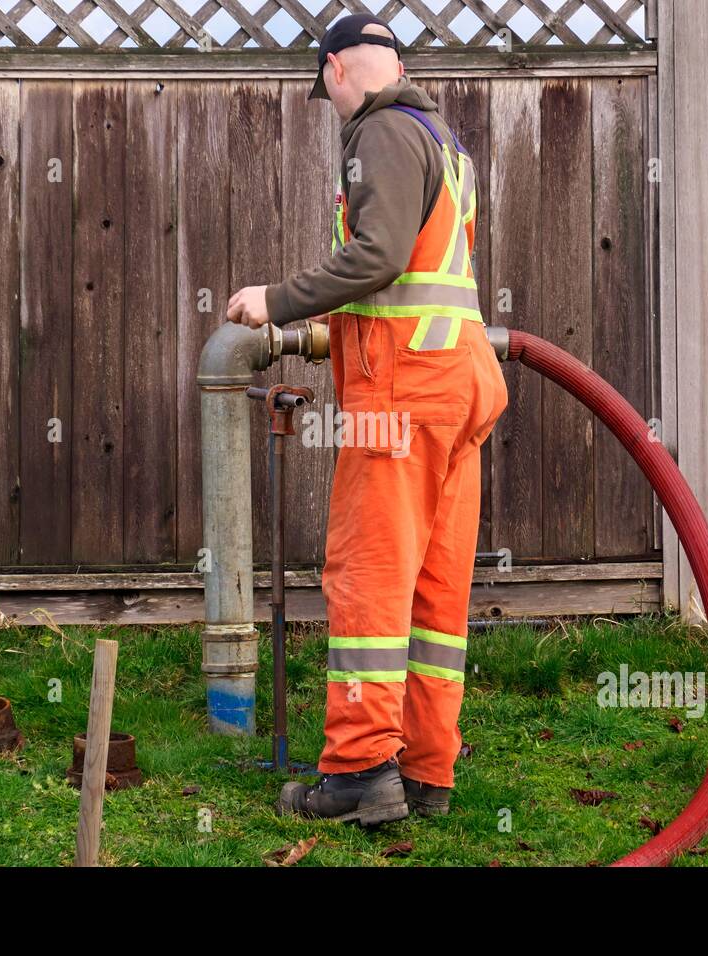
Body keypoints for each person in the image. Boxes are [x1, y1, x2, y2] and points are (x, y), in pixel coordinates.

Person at [225, 13, 508, 826]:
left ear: (337, 68)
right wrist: (328, 334)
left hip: (404, 393)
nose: (332, 105)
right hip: (457, 384)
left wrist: (275, 301)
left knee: (369, 581)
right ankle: (426, 771)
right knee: (434, 591)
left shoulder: (378, 131)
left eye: (328, 91)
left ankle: (356, 773)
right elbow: (414, 277)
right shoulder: (443, 142)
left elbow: (377, 257)